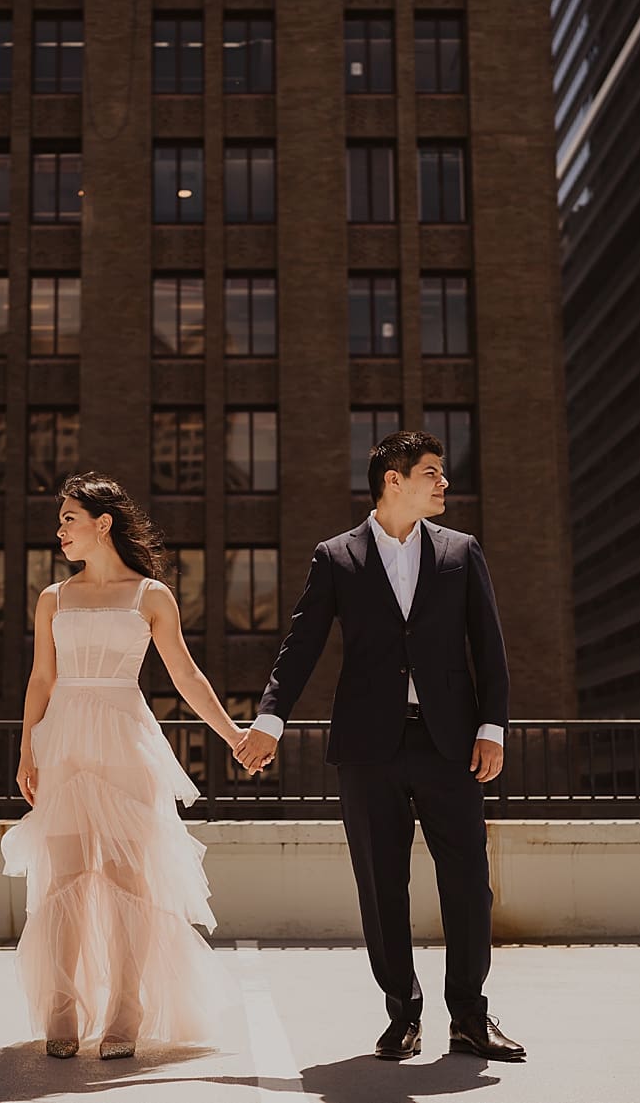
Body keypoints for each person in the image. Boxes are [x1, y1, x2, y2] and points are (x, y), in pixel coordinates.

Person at [233, 430, 525, 1063]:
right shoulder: (336, 557)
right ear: (394, 481)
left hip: (451, 744)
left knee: (469, 883)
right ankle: (404, 1014)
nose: (444, 482)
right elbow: (301, 645)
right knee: (381, 884)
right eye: (431, 472)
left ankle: (470, 1018)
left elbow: (490, 648)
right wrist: (270, 720)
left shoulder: (461, 551)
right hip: (369, 748)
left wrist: (492, 728)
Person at [0, 471, 245, 1060]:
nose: (59, 531)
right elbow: (41, 678)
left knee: (128, 885)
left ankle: (126, 1012)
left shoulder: (150, 595)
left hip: (124, 742)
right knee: (61, 882)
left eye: (68, 519)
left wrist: (234, 735)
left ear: (101, 524)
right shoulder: (53, 597)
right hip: (63, 745)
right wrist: (27, 749)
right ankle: (63, 1010)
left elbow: (186, 675)